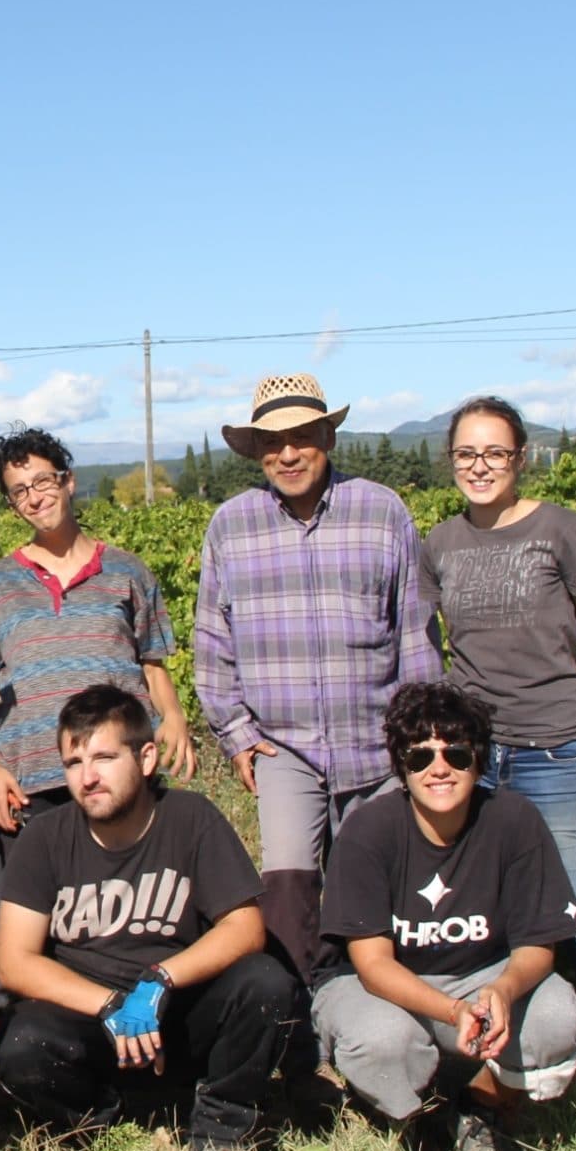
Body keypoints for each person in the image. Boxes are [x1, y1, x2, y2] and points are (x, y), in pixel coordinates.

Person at [422, 395, 576, 1077]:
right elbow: (435, 644)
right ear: (451, 461)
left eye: (495, 452)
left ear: (522, 458)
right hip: (472, 761)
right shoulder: (440, 543)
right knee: (489, 925)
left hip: (555, 753)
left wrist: (562, 696)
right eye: (467, 453)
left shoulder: (563, 530)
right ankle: (503, 1069)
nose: (480, 466)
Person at [193, 373, 441, 988]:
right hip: (284, 746)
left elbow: (414, 632)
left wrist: (420, 738)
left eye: (302, 436)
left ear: (327, 435)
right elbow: (212, 642)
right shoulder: (231, 526)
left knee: (380, 885)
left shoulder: (381, 511)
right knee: (287, 891)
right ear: (255, 452)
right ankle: (298, 1031)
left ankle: (379, 1010)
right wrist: (235, 732)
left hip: (378, 741)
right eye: (272, 443)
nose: (288, 453)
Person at [0, 687, 297, 1151]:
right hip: (90, 1021)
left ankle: (220, 1126)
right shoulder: (45, 838)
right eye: (73, 763)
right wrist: (110, 1004)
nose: (88, 778)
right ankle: (108, 1124)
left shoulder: (190, 818)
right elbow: (13, 960)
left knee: (266, 981)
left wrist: (158, 980)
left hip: (179, 1013)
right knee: (24, 1045)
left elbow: (245, 927)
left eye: (105, 758)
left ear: (147, 756)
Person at [312, 682, 576, 1151]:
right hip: (384, 986)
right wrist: (454, 1010)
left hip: (483, 976)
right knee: (382, 1040)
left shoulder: (514, 821)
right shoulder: (367, 830)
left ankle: (483, 1104)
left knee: (556, 1016)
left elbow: (538, 946)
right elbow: (373, 965)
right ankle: (410, 1114)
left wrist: (502, 990)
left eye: (456, 755)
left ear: (478, 761)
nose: (438, 768)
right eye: (420, 757)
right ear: (402, 767)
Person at [0, 428, 195, 841]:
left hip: (119, 775)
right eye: (19, 491)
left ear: (67, 480)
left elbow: (152, 663)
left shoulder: (129, 572)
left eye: (42, 481)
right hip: (30, 786)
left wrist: (175, 715)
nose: (34, 498)